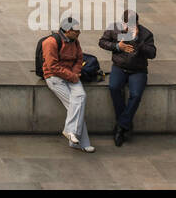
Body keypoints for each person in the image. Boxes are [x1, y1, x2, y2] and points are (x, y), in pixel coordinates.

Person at [98, 15, 156, 147]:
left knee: (135, 95)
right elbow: (102, 42)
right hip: (119, 67)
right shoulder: (114, 29)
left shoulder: (145, 33)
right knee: (114, 88)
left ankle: (121, 126)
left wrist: (138, 43)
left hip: (138, 70)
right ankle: (124, 124)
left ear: (137, 22)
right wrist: (117, 46)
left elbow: (152, 53)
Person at [40, 16, 95, 153]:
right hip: (54, 77)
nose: (78, 33)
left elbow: (79, 58)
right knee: (74, 105)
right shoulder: (50, 42)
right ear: (67, 30)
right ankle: (81, 142)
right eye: (76, 31)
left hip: (72, 76)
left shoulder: (75, 41)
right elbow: (52, 66)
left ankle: (70, 132)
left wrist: (75, 73)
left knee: (81, 97)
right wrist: (72, 76)